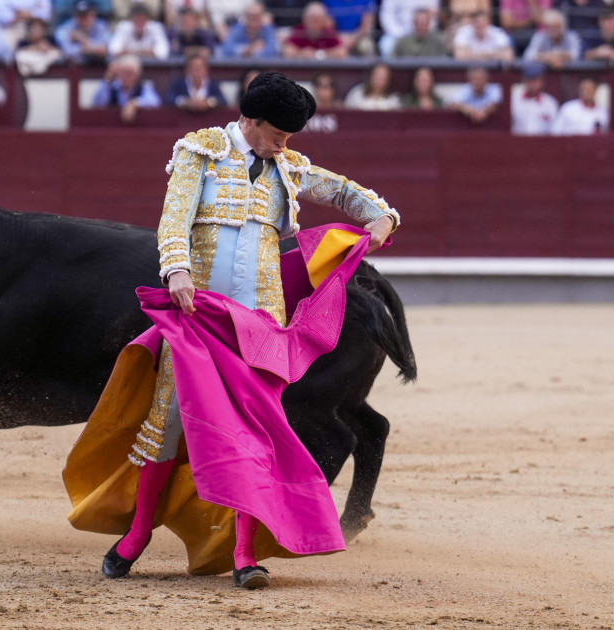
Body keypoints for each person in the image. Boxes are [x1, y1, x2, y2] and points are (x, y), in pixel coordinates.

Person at [65, 71, 400, 589]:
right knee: (171, 418)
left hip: (259, 318)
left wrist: (381, 217)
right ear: (253, 121)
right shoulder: (200, 151)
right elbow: (172, 220)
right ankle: (136, 535)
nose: (286, 146)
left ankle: (245, 553)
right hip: (200, 312)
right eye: (280, 136)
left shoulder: (286, 166)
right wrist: (176, 269)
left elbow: (346, 193)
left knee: (255, 426)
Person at [90, 53, 161, 123]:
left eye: (130, 73)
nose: (127, 76)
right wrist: (107, 79)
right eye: (124, 72)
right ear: (118, 73)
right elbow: (97, 104)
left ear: (137, 75)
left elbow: (155, 102)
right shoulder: (111, 86)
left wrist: (134, 103)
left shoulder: (144, 87)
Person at [282, 1, 348, 59]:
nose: (314, 21)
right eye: (311, 18)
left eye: (318, 18)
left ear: (324, 20)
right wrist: (302, 53)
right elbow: (287, 50)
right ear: (305, 19)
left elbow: (342, 52)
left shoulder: (328, 32)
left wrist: (319, 54)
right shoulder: (299, 30)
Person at [510, 61, 558, 134]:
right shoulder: (514, 99)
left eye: (535, 80)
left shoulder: (550, 103)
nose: (532, 84)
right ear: (524, 80)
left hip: (542, 143)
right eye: (529, 80)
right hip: (517, 142)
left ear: (542, 81)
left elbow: (554, 130)